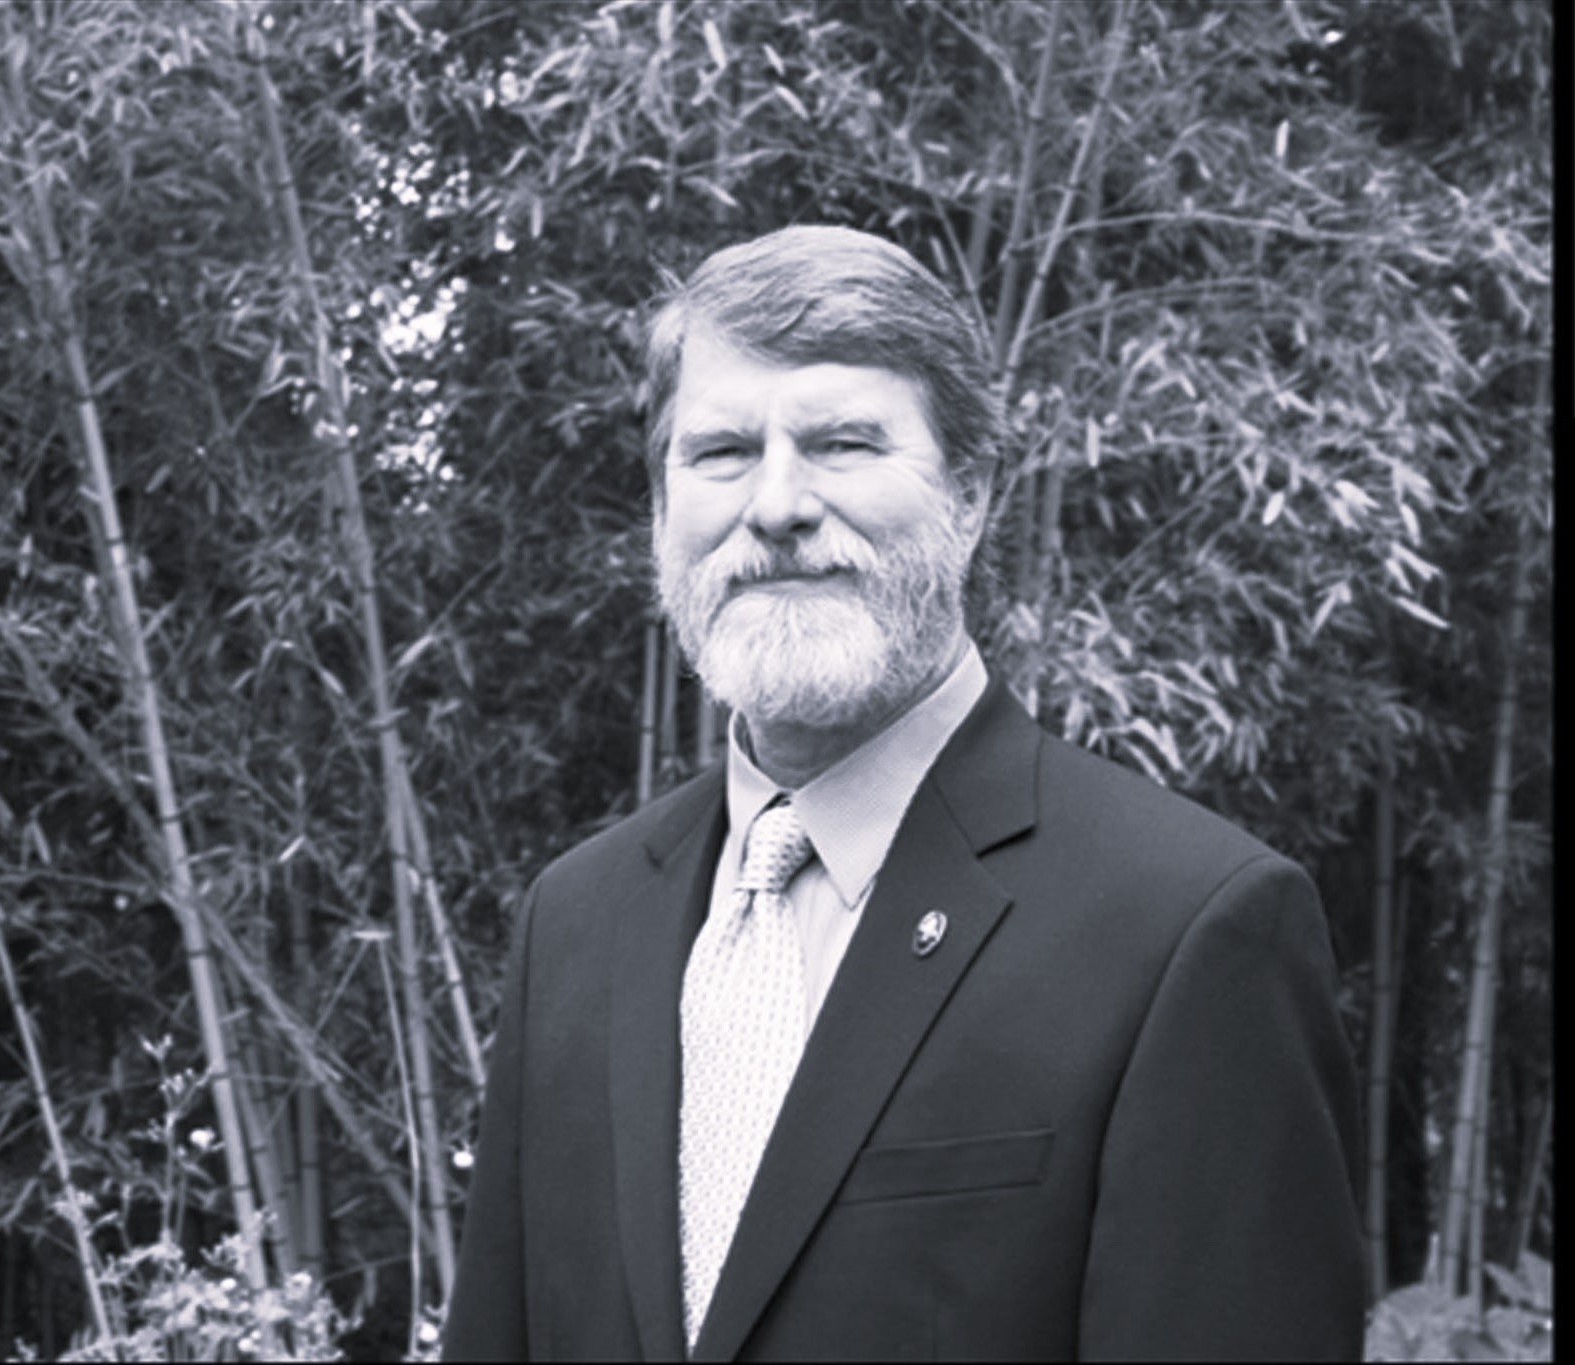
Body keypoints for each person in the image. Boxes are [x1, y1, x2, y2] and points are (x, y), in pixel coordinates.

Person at [441, 225, 1365, 1362]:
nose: (777, 505)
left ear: (970, 494)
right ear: (661, 511)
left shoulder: (1188, 928)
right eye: (722, 451)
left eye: (841, 443)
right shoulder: (576, 921)